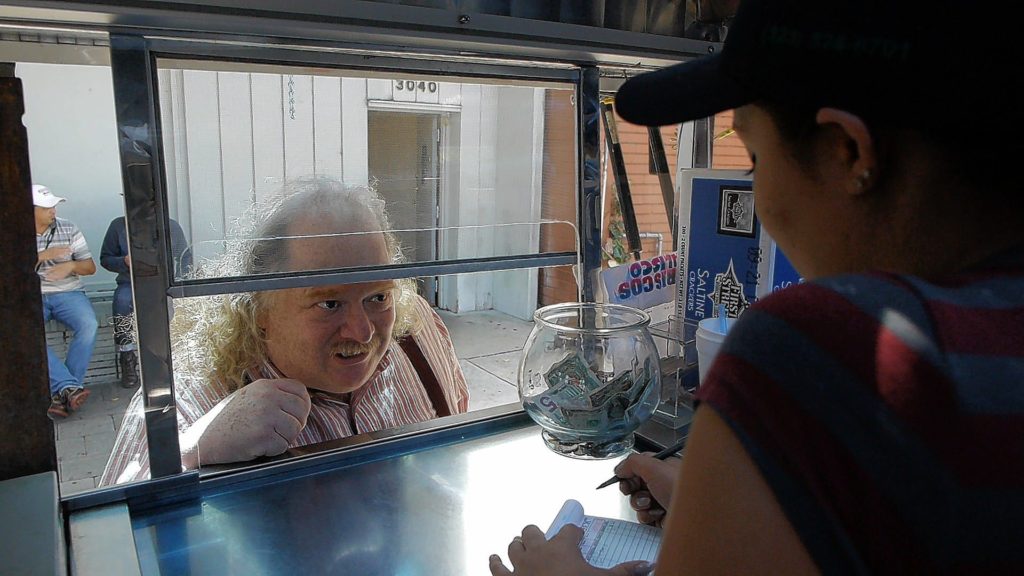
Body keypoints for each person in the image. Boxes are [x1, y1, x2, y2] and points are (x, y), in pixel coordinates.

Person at [490, 0, 1024, 574]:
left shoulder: (818, 349)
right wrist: (734, 518)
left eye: (753, 158)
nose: (758, 201)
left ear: (847, 152)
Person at [100, 178, 468, 485]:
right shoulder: (184, 405)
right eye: (329, 303)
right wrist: (193, 452)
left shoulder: (418, 333)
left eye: (378, 297)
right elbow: (114, 532)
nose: (362, 332)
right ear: (259, 307)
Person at [100, 214, 191, 388]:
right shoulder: (118, 225)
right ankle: (127, 357)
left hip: (162, 283)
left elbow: (185, 257)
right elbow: (105, 259)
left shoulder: (170, 226)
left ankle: (165, 361)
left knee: (166, 309)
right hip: (130, 282)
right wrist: (123, 261)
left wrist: (179, 283)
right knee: (121, 302)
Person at [33, 184, 98, 420]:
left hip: (68, 292)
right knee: (26, 332)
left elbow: (90, 267)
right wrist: (43, 256)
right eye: (46, 208)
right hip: (32, 296)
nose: (53, 211)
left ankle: (63, 392)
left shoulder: (68, 228)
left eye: (54, 206)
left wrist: (70, 265)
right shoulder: (12, 233)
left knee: (89, 325)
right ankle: (69, 389)